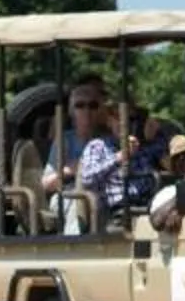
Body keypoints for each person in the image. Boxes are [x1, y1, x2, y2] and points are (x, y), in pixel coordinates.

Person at [39, 80, 124, 230]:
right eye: (80, 105)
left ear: (101, 110)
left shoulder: (110, 139)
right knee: (80, 203)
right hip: (69, 194)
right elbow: (46, 184)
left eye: (93, 105)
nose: (86, 111)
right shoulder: (64, 140)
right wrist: (71, 169)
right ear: (71, 111)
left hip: (106, 195)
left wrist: (118, 132)